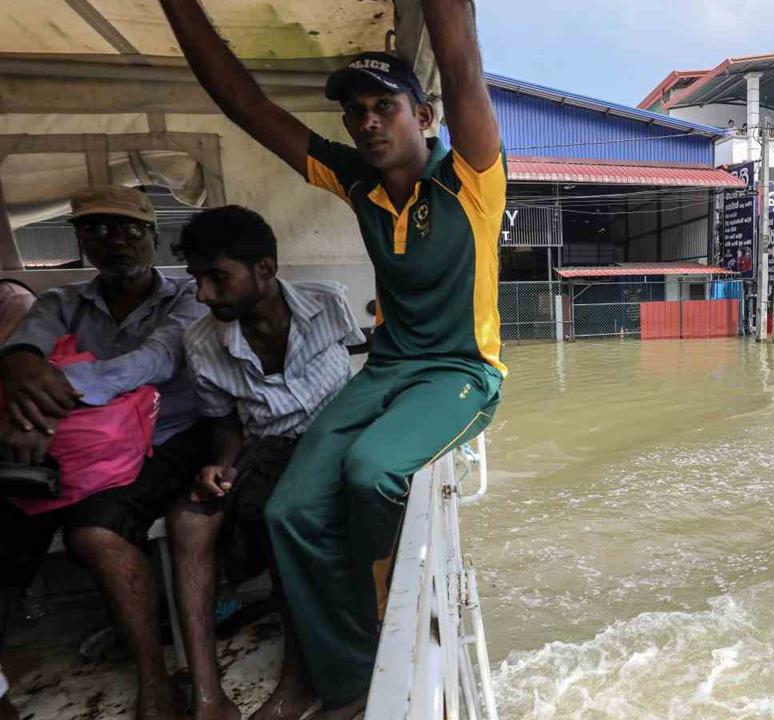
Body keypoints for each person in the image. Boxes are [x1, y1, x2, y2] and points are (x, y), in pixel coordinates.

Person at [160, 1, 506, 716]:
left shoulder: (472, 176)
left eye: (386, 107)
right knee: (287, 509)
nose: (369, 122)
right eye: (356, 113)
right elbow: (246, 105)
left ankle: (381, 623)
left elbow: (462, 61)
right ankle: (342, 678)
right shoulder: (359, 183)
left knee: (371, 472)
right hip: (386, 372)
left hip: (461, 375)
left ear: (425, 116)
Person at [0, 184, 209, 720]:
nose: (112, 240)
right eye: (95, 229)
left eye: (127, 228)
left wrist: (55, 393)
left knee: (96, 533)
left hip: (165, 439)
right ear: (80, 240)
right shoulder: (60, 301)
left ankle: (155, 681)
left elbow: (156, 361)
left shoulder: (186, 296)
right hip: (68, 442)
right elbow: (22, 355)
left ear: (153, 236)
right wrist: (28, 385)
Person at [166, 206, 365, 720]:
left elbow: (367, 371)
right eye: (197, 279)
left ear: (266, 270)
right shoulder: (203, 342)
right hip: (264, 449)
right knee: (187, 523)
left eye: (217, 277)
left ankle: (298, 680)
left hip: (334, 442)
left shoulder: (328, 304)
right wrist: (220, 465)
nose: (204, 294)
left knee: (284, 512)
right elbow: (226, 423)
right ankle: (208, 697)